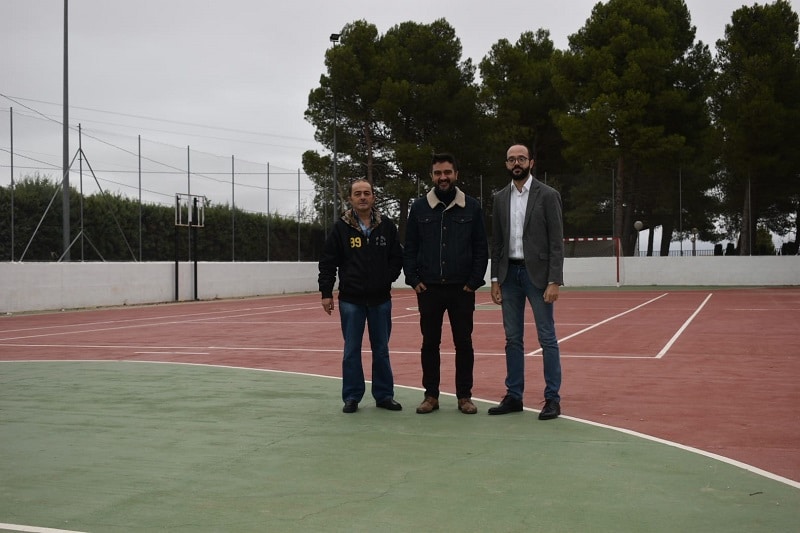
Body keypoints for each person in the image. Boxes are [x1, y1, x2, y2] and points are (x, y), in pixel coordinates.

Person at [403, 152, 488, 415]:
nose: (443, 177)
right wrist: (413, 279)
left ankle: (464, 397)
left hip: (462, 289)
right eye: (438, 173)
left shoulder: (472, 207)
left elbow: (481, 248)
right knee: (430, 344)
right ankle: (431, 396)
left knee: (464, 344)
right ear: (432, 176)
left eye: (447, 172)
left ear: (456, 175)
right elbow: (410, 247)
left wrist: (473, 282)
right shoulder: (419, 208)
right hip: (428, 289)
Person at [488, 143, 564, 420]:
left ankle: (552, 399)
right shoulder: (499, 198)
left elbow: (556, 241)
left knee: (547, 338)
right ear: (506, 164)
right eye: (511, 159)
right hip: (509, 276)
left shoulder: (548, 195)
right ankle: (514, 396)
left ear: (531, 162)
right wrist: (494, 279)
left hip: (539, 277)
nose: (516, 163)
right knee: (512, 339)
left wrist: (554, 280)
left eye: (521, 158)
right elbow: (497, 242)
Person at [318, 179, 404, 414]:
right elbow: (328, 262)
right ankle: (352, 396)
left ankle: (384, 395)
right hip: (351, 300)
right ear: (350, 199)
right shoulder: (340, 228)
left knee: (381, 350)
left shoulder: (387, 226)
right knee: (351, 351)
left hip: (380, 299)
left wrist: (386, 278)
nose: (363, 197)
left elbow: (397, 257)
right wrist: (326, 292)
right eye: (358, 194)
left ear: (374, 197)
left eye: (367, 193)